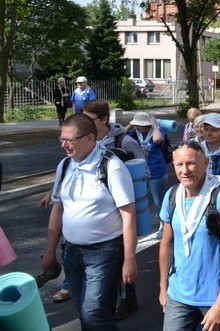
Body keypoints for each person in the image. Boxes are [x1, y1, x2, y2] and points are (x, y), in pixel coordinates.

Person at [41, 114, 137, 330]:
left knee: (94, 312)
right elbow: (58, 208)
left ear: (90, 139)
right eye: (61, 139)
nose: (64, 145)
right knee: (84, 311)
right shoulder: (65, 166)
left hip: (104, 252)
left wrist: (129, 258)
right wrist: (50, 251)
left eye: (70, 140)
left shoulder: (112, 167)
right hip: (72, 252)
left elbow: (128, 214)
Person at [159, 141, 220, 331]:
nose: (185, 170)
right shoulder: (172, 196)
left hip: (213, 298)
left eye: (191, 163)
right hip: (178, 295)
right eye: (179, 165)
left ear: (205, 162)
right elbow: (166, 244)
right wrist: (163, 287)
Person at [81, 99, 147, 321]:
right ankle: (112, 301)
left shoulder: (124, 140)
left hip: (120, 210)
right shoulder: (86, 141)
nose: (84, 123)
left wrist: (121, 168)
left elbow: (143, 170)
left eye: (89, 119)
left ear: (104, 119)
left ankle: (128, 298)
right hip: (97, 211)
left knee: (121, 258)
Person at [126, 112, 168, 239]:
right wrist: (132, 123)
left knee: (158, 201)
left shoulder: (159, 132)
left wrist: (154, 125)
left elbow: (157, 140)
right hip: (141, 173)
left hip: (157, 172)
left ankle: (164, 226)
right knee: (141, 200)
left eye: (140, 125)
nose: (137, 127)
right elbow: (122, 133)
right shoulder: (135, 133)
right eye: (136, 125)